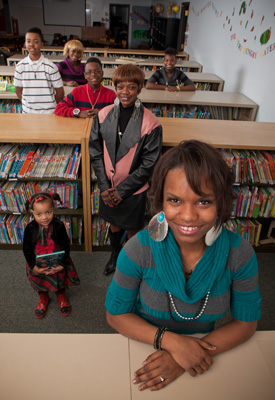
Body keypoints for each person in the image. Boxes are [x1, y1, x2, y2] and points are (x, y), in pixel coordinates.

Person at [105, 140, 262, 392]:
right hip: (144, 343)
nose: (188, 216)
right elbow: (115, 315)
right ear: (160, 202)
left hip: (205, 343)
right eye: (175, 200)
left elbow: (246, 324)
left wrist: (184, 355)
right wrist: (173, 344)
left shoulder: (240, 254)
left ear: (220, 203)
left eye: (203, 202)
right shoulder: (137, 249)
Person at [89, 64, 163, 275]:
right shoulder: (103, 115)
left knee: (132, 227)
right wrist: (104, 186)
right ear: (115, 87)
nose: (125, 92)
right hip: (108, 187)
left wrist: (122, 191)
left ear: (140, 88)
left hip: (133, 189)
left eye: (131, 87)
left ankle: (130, 260)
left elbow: (149, 163)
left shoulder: (151, 123)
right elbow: (95, 152)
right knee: (114, 224)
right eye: (120, 86)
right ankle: (115, 254)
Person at [23, 192, 80, 318]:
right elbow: (26, 249)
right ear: (32, 213)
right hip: (38, 260)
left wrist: (62, 264)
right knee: (39, 278)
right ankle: (43, 298)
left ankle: (61, 296)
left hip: (57, 258)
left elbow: (66, 245)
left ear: (53, 210)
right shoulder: (30, 228)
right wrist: (33, 266)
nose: (44, 217)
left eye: (48, 212)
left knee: (58, 277)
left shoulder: (58, 226)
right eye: (39, 214)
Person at [14, 27, 64, 114]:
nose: (32, 44)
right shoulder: (20, 66)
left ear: (41, 44)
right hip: (28, 113)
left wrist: (50, 106)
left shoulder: (51, 67)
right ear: (25, 43)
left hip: (49, 114)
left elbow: (60, 92)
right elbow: (18, 89)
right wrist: (26, 105)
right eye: (28, 41)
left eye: (36, 41)